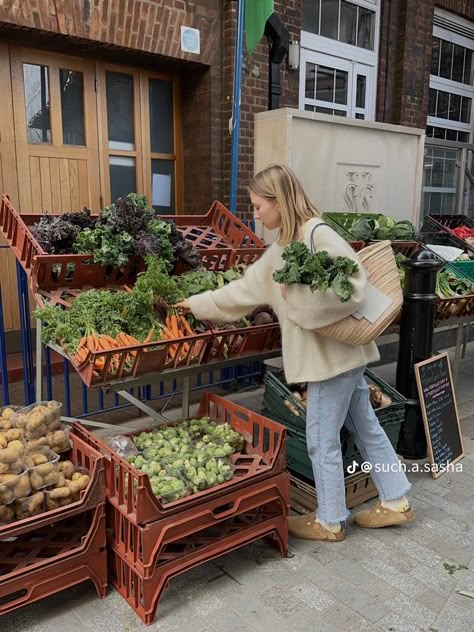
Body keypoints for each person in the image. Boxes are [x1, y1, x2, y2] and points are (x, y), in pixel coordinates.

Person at [175, 164, 415, 542]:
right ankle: (397, 500)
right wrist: (196, 304)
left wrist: (297, 296)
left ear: (280, 202)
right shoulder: (281, 250)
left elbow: (353, 285)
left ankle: (331, 520)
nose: (254, 214)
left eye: (258, 205)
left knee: (321, 438)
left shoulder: (317, 233)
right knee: (366, 426)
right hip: (341, 358)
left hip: (329, 361)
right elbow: (242, 291)